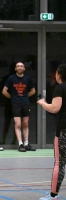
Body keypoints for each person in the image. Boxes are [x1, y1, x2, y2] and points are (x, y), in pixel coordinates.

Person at [37, 64, 66, 200]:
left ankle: (53, 195)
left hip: (63, 131)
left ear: (59, 74)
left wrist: (43, 103)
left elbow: (55, 108)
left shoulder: (60, 88)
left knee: (59, 163)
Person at [2, 62, 36, 152]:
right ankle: (20, 144)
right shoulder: (11, 78)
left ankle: (26, 143)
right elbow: (4, 91)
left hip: (25, 103)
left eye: (21, 66)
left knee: (25, 123)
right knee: (17, 123)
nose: (20, 67)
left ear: (24, 68)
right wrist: (13, 97)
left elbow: (33, 90)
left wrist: (25, 96)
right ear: (15, 69)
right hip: (15, 104)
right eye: (18, 66)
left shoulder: (27, 78)